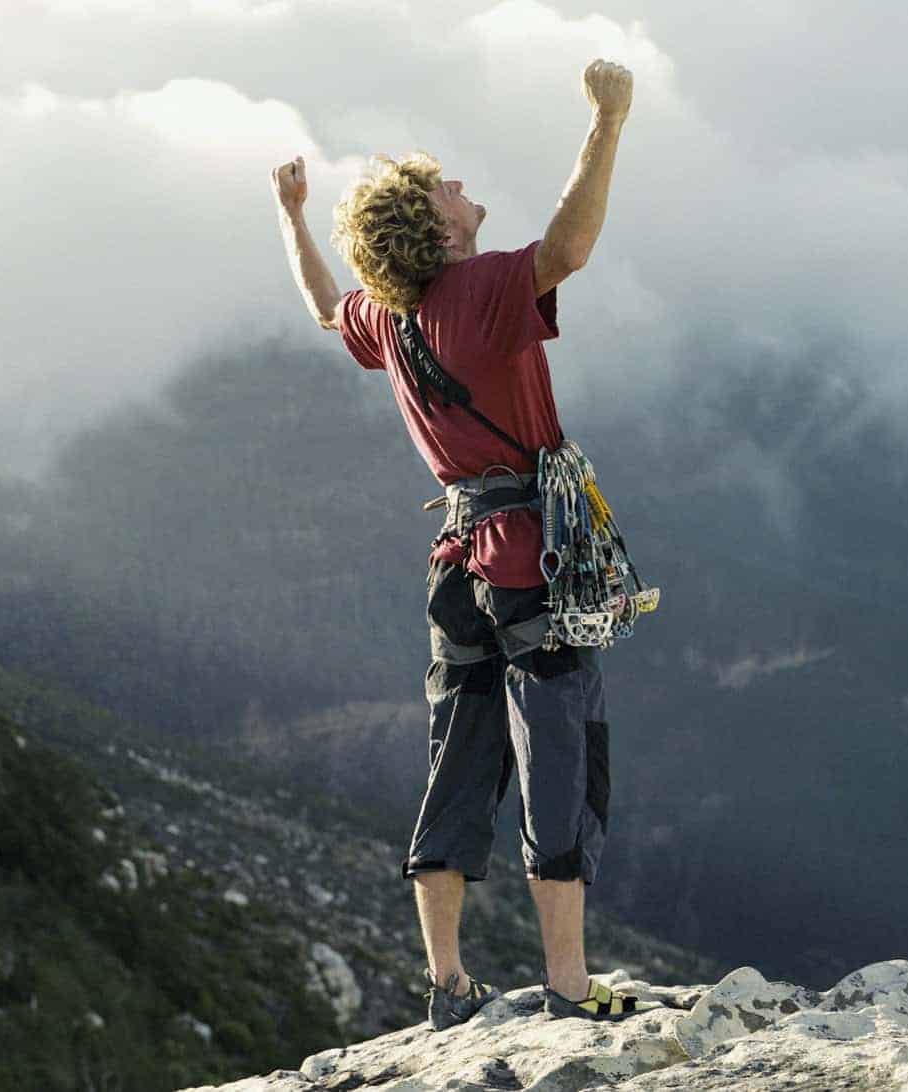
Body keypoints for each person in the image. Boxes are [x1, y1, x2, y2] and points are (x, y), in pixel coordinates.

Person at [270, 58, 662, 1030]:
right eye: (443, 184)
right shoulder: (477, 290)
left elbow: (326, 306)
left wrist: (290, 215)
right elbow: (566, 248)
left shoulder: (393, 316)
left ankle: (446, 986)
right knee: (558, 755)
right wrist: (609, 118)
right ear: (436, 226)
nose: (457, 184)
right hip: (530, 552)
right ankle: (569, 992)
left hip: (457, 554)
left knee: (459, 755)